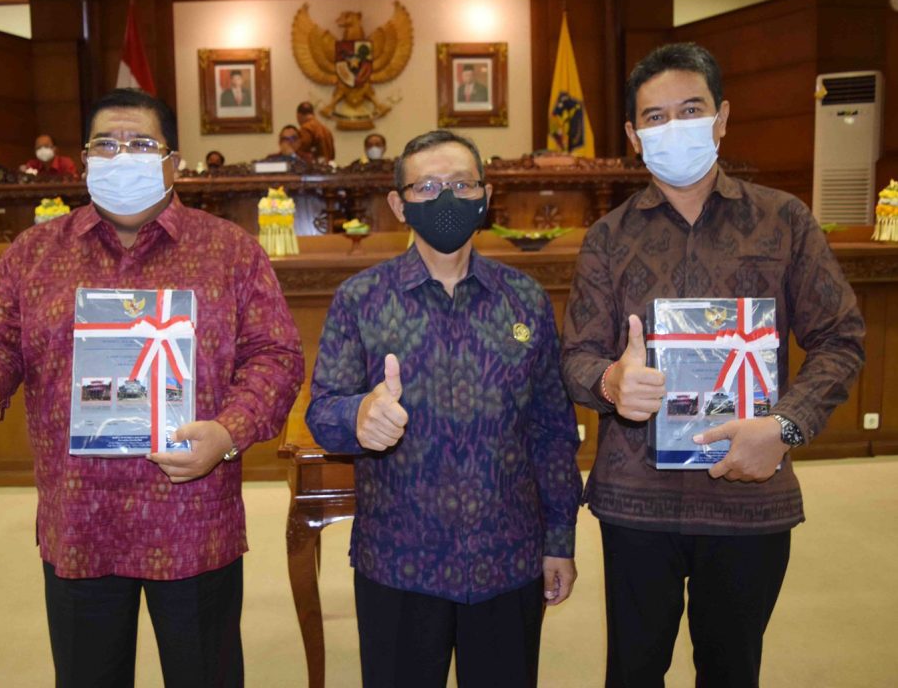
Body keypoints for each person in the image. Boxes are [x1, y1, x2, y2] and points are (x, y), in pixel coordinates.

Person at [0, 88, 304, 688]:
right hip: (81, 518)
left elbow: (276, 356)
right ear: (84, 160)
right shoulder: (34, 253)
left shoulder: (229, 251)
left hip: (192, 518)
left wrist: (228, 433)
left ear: (174, 162)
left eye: (141, 144)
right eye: (106, 144)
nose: (121, 156)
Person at [560, 43, 865, 687]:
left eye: (691, 109)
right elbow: (576, 358)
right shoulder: (607, 238)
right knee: (633, 672)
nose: (674, 127)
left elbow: (841, 338)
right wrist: (610, 382)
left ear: (722, 118)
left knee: (731, 671)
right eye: (655, 117)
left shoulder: (786, 221)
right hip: (637, 501)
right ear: (634, 137)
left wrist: (783, 427)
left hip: (749, 496)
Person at [306, 129, 582, 688]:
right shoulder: (360, 299)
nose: (447, 199)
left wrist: (560, 539)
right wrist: (357, 417)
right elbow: (322, 411)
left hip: (507, 558)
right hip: (399, 562)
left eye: (461, 184)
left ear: (486, 195)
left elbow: (552, 430)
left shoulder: (524, 298)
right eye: (427, 187)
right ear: (398, 204)